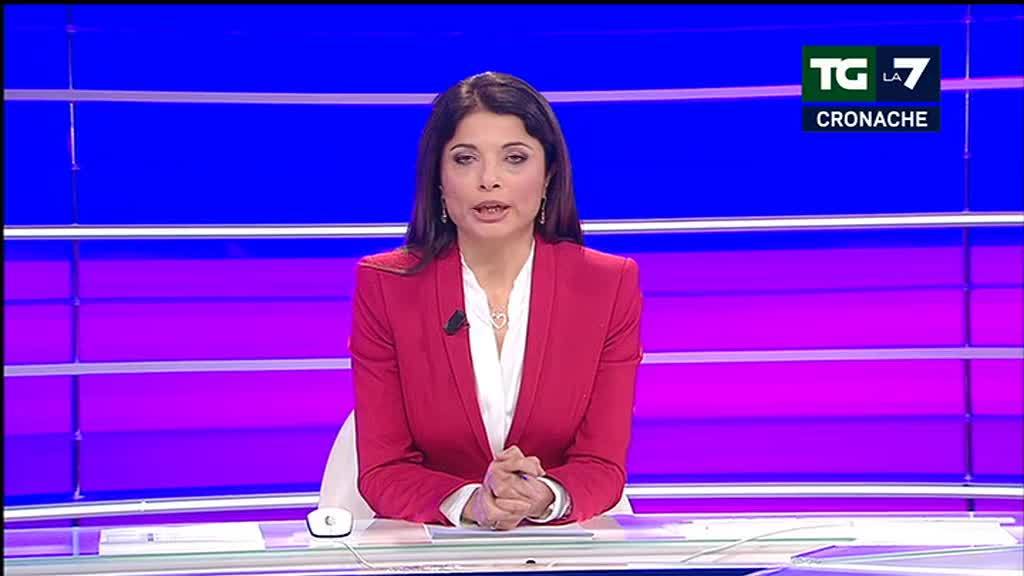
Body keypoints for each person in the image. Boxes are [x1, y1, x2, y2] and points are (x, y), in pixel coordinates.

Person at [350, 71, 643, 529]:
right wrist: (474, 503)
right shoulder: (388, 285)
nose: (489, 180)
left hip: (564, 537)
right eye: (465, 159)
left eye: (514, 158)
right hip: (434, 541)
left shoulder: (607, 285)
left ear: (548, 176)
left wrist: (542, 496)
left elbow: (602, 465)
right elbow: (384, 471)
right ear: (438, 180)